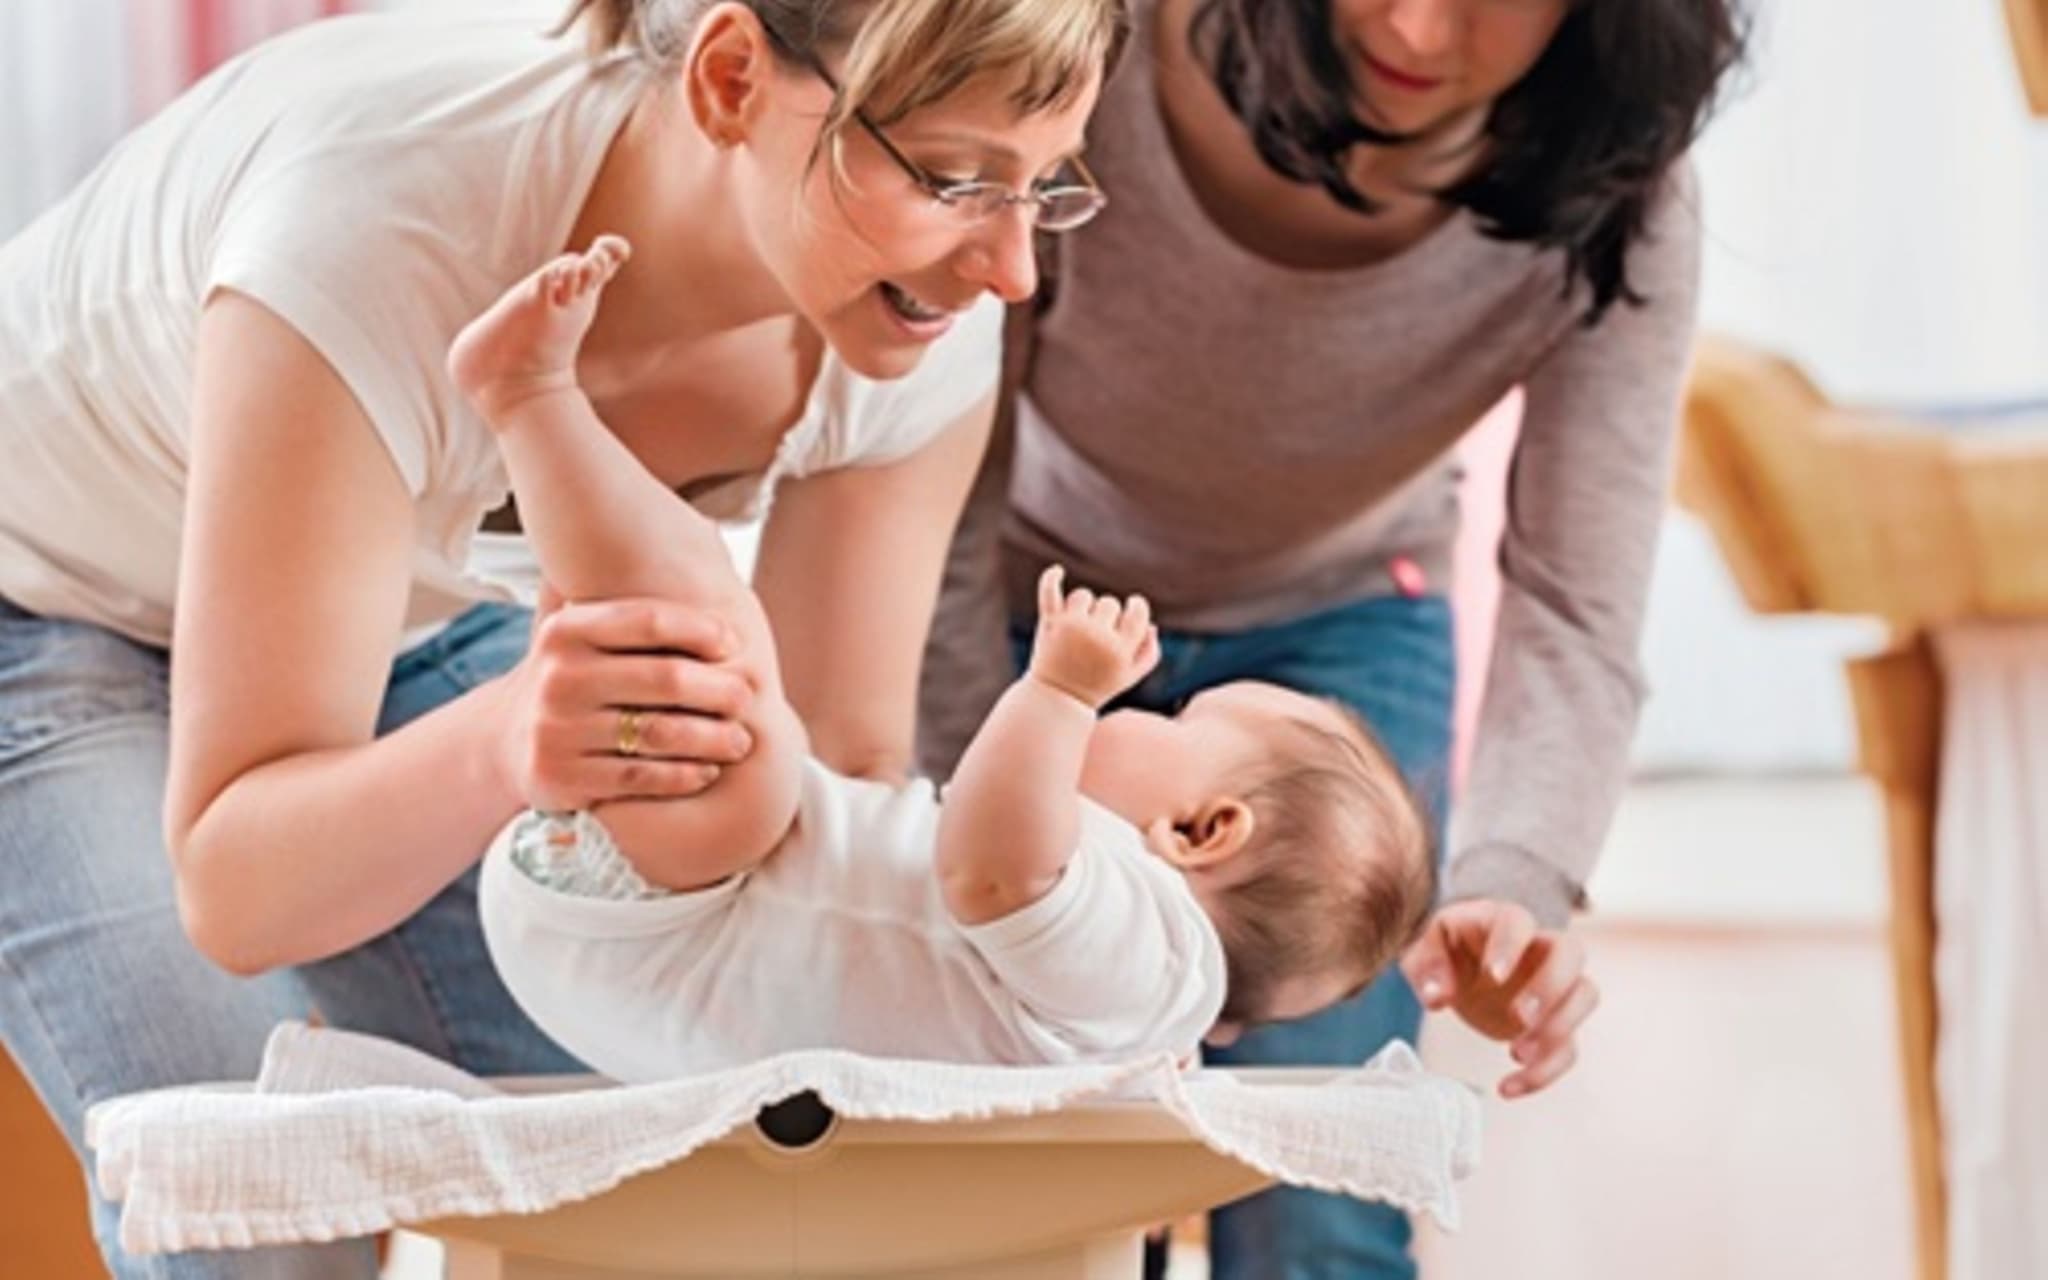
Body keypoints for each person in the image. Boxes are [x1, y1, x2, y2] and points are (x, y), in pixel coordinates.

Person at [0, 0, 1126, 1272]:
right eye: (953, 177)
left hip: (416, 617)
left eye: (1046, 183)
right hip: (41, 604)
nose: (1011, 269)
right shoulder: (384, 217)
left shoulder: (922, 312)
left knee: (646, 1163)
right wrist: (501, 742)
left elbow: (835, 780)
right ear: (731, 76)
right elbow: (237, 886)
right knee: (259, 1207)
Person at [917, 0, 1748, 1275]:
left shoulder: (1615, 182)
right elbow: (940, 487)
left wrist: (1512, 884)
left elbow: (1575, 600)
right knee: (1010, 1143)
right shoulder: (1098, 55)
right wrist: (976, 785)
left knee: (1313, 1184)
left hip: (1339, 630)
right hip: (1037, 618)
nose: (1418, 27)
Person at [455, 234, 1435, 1076]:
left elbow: (995, 870)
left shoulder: (1146, 947)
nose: (1149, 707)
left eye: (1180, 720)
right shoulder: (1130, 1005)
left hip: (664, 925)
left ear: (1201, 828)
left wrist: (1060, 691)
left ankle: (528, 398)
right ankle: (571, 516)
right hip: (653, 939)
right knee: (696, 669)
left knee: (726, 662)